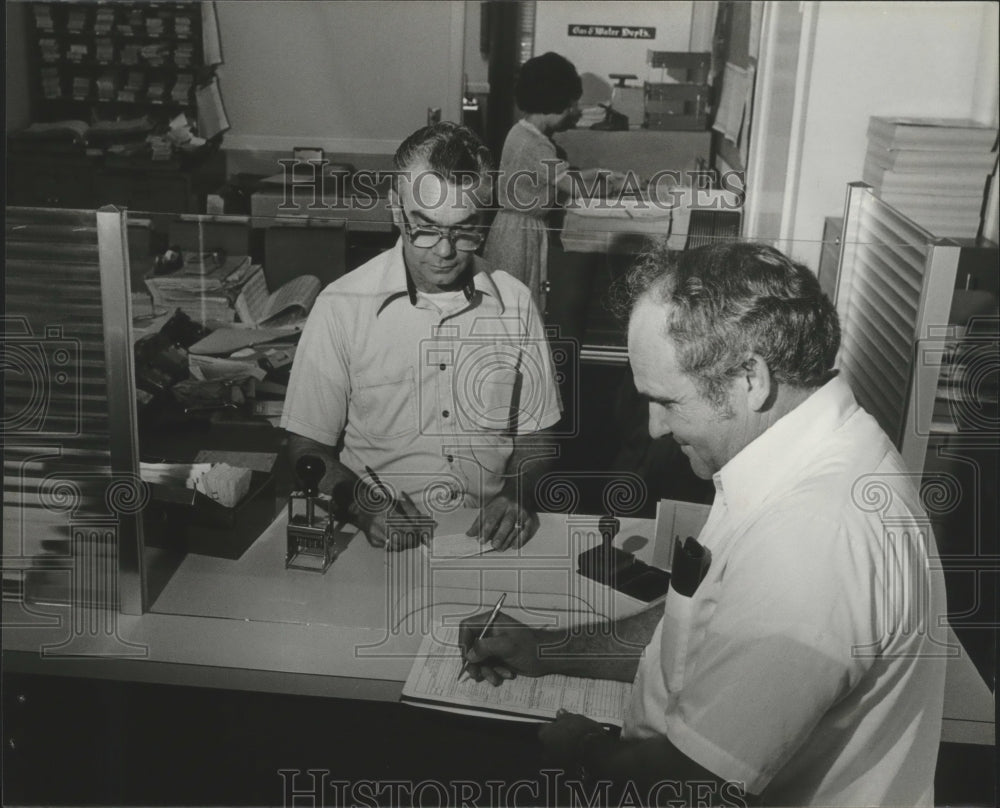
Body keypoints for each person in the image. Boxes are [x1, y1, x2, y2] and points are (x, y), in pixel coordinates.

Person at [459, 242, 948, 805]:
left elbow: (692, 787)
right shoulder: (795, 455)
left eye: (667, 401)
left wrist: (583, 746)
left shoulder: (810, 538)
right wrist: (543, 649)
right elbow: (694, 627)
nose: (655, 427)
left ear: (751, 379)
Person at [281, 122, 562, 551]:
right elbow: (306, 448)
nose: (445, 251)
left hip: (485, 535)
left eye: (465, 229)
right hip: (376, 534)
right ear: (396, 209)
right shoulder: (341, 305)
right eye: (425, 227)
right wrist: (362, 506)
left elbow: (537, 436)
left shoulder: (516, 303)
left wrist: (516, 495)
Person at [484, 51, 625, 313]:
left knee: (520, 308)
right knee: (516, 310)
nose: (574, 111)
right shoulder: (535, 144)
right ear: (554, 100)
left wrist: (595, 173)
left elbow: (557, 176)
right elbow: (573, 189)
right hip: (518, 237)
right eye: (571, 104)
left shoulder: (523, 132)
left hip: (517, 229)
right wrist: (623, 186)